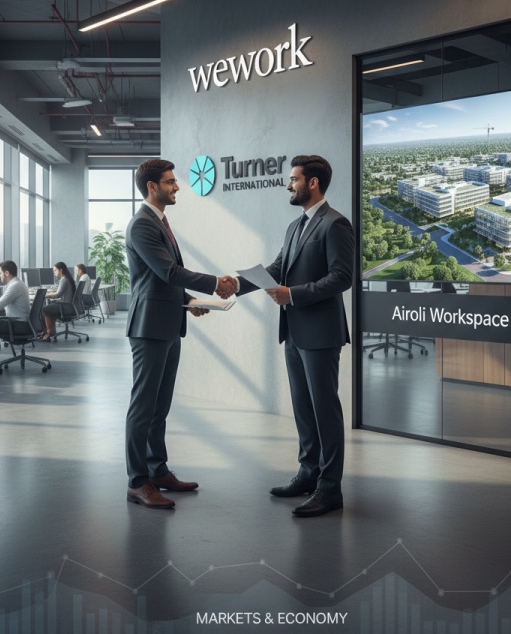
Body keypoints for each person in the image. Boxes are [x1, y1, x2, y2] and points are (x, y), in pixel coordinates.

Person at [236, 155, 354, 517]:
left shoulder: (335, 224)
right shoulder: (294, 226)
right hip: (295, 333)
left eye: (294, 179)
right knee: (303, 410)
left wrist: (294, 294)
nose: (288, 185)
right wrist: (233, 286)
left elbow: (343, 276)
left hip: (320, 333)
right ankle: (308, 473)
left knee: (325, 411)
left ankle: (330, 489)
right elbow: (277, 268)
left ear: (313, 183)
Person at [124, 158, 237, 510]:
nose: (176, 187)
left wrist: (188, 301)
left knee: (160, 407)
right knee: (143, 408)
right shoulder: (142, 224)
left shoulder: (159, 221)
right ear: (151, 187)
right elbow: (168, 270)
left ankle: (158, 471)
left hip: (169, 322)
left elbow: (162, 278)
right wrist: (215, 283)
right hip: (149, 327)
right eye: (170, 182)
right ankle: (137, 482)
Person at [41, 262, 76, 339]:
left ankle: (47, 333)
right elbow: (60, 292)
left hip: (65, 307)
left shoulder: (64, 280)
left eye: (55, 270)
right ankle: (51, 331)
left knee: (43, 309)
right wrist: (51, 292)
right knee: (49, 309)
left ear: (61, 270)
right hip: (68, 306)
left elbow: (58, 295)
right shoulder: (67, 279)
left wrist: (44, 295)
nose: (54, 272)